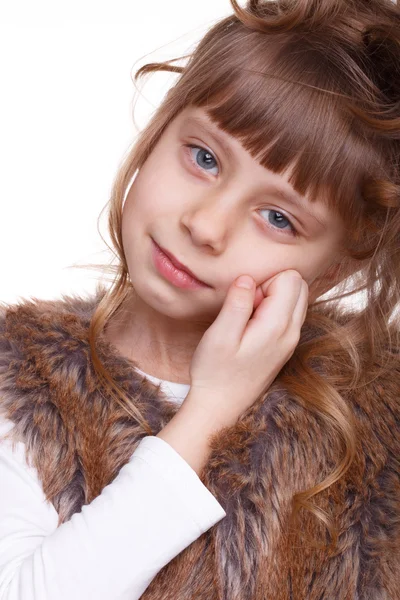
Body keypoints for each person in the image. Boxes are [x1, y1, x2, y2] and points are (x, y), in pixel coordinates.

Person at [1, 0, 400, 598]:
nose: (206, 226)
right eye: (205, 158)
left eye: (277, 218)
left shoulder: (379, 411)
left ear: (337, 266)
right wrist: (211, 410)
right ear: (162, 127)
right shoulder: (20, 387)